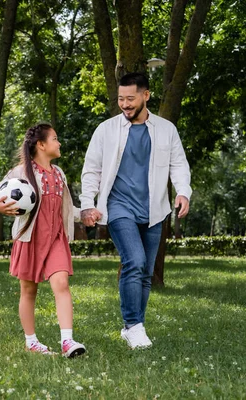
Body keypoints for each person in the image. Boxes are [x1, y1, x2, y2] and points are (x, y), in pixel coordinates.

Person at [80, 72, 192, 349]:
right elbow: (91, 170)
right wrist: (87, 204)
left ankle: (134, 328)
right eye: (121, 99)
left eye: (130, 98)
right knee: (135, 262)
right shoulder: (106, 130)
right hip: (118, 207)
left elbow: (178, 164)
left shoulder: (166, 129)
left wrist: (183, 192)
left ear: (146, 95)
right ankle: (133, 325)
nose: (125, 104)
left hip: (155, 210)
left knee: (145, 271)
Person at [0, 123, 96, 358]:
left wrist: (84, 214)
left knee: (62, 284)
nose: (59, 143)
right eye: (55, 139)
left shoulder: (59, 174)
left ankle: (67, 341)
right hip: (30, 238)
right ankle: (31, 341)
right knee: (28, 291)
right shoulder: (21, 173)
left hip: (56, 237)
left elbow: (65, 209)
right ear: (41, 144)